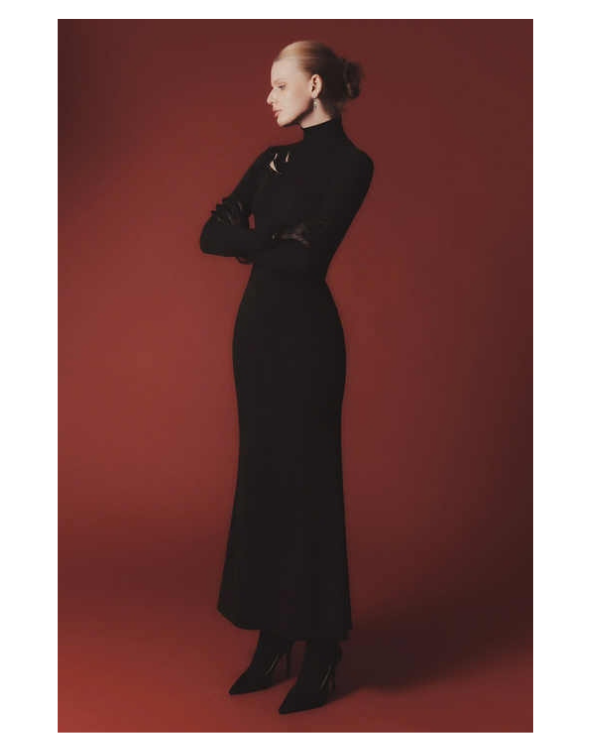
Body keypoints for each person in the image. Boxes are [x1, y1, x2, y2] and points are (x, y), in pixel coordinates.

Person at [199, 40, 374, 714]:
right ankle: (274, 636)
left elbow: (307, 260)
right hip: (256, 337)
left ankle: (323, 646)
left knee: (309, 483)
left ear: (315, 86)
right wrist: (267, 242)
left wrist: (251, 242)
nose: (269, 97)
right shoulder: (272, 159)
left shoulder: (353, 165)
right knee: (265, 478)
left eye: (280, 85)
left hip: (307, 340)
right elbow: (210, 234)